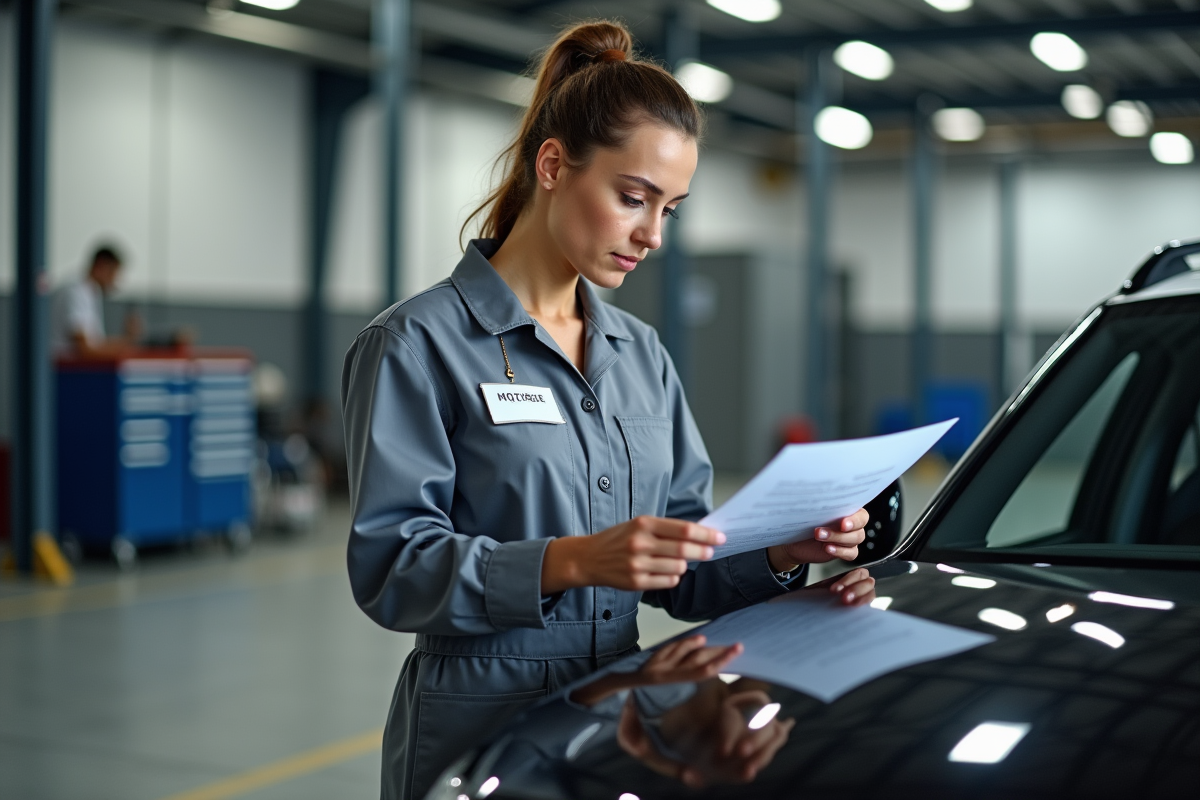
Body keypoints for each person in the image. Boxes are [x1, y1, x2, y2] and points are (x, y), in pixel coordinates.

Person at [341, 20, 876, 800]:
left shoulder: (641, 355)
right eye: (633, 198)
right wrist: (572, 561)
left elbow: (682, 571)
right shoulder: (417, 344)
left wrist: (783, 552)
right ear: (553, 166)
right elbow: (393, 568)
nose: (653, 235)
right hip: (478, 718)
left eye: (672, 210)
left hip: (628, 714)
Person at [53, 244, 141, 357]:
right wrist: (125, 344)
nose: (115, 281)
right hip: (66, 369)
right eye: (113, 274)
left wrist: (127, 340)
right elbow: (85, 349)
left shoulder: (91, 292)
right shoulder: (75, 292)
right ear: (101, 266)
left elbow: (96, 344)